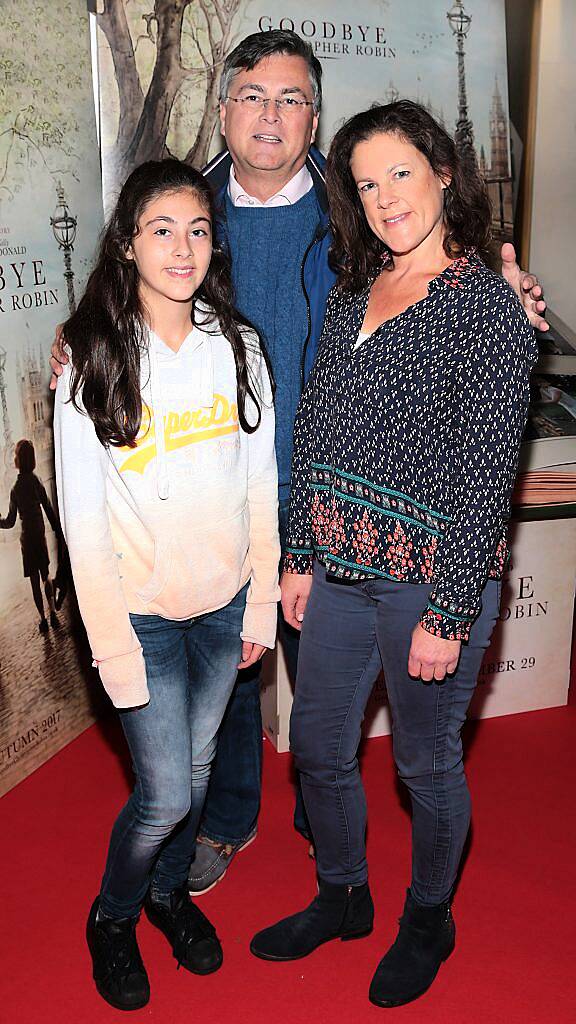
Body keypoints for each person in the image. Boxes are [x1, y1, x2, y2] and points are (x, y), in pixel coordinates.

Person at [50, 30, 548, 896]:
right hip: (216, 498)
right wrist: (79, 338)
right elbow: (119, 293)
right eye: (252, 95)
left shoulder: (355, 210)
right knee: (235, 673)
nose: (270, 114)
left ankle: (330, 833)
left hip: (330, 504)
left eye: (290, 98)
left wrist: (507, 295)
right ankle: (232, 818)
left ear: (314, 114)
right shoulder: (180, 205)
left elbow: (438, 285)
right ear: (225, 109)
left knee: (322, 689)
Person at [250, 101, 538, 1009]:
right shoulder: (351, 288)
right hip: (337, 572)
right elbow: (320, 428)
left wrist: (450, 615)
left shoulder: (489, 307)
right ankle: (343, 894)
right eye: (366, 185)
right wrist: (300, 553)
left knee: (425, 765)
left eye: (400, 174)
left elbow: (487, 472)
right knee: (319, 748)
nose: (384, 199)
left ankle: (429, 916)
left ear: (444, 172)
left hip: (429, 584)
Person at [53, 159, 279, 1011]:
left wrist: (258, 602)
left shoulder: (239, 345)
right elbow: (82, 521)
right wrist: (110, 649)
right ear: (126, 243)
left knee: (203, 763)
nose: (181, 248)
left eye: (197, 229)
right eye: (160, 229)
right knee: (161, 797)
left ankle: (168, 894)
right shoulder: (91, 357)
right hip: (140, 619)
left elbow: (260, 483)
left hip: (224, 608)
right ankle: (114, 916)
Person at [0, 438, 60, 633]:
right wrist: (58, 530)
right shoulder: (36, 481)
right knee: (46, 575)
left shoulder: (15, 489)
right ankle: (53, 613)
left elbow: (9, 521)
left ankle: (42, 618)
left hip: (27, 540)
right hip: (39, 535)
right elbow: (48, 508)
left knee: (34, 581)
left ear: (18, 460)